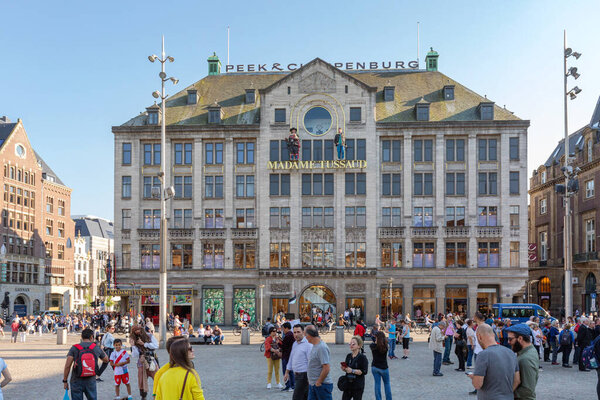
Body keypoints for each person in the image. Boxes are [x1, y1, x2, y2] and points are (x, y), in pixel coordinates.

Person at [468, 324, 520, 399]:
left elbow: (477, 384)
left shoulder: (483, 355)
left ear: (479, 337)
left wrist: (473, 377)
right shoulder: (510, 352)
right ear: (493, 335)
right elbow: (517, 380)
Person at [63, 328, 109, 400]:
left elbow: (67, 366)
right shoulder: (96, 347)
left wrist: (65, 381)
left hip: (76, 380)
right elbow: (106, 360)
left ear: (81, 337)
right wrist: (99, 372)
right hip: (90, 380)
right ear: (91, 337)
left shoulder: (74, 348)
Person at [506, 324, 539, 400]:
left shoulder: (526, 359)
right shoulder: (528, 350)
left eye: (510, 339)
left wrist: (505, 394)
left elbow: (527, 390)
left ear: (520, 338)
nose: (508, 342)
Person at [285, 324, 313, 400]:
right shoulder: (295, 344)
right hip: (296, 376)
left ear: (303, 332)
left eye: (298, 332)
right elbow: (291, 358)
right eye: (294, 332)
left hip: (304, 375)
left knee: (296, 397)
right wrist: (287, 372)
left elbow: (310, 361)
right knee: (304, 397)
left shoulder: (308, 344)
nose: (296, 334)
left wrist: (309, 377)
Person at [130, 325, 158, 399]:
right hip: (141, 362)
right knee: (141, 381)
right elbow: (134, 355)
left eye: (138, 329)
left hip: (151, 360)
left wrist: (144, 344)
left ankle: (157, 395)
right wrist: (133, 346)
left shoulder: (149, 336)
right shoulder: (134, 339)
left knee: (157, 378)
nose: (138, 332)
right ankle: (143, 396)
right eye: (135, 331)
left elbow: (156, 345)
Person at [305, 324, 333, 400]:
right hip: (314, 385)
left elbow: (326, 368)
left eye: (305, 335)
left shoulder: (321, 347)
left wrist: (319, 382)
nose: (305, 337)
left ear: (310, 335)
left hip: (321, 386)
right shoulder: (315, 346)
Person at [340, 336, 368, 400]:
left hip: (357, 385)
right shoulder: (349, 356)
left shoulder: (362, 357)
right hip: (348, 384)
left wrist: (352, 370)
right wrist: (344, 369)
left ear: (359, 346)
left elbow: (364, 371)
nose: (351, 345)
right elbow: (347, 368)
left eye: (353, 344)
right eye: (350, 343)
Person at [370, 331, 391, 400]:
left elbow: (374, 343)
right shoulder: (386, 346)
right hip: (384, 367)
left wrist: (376, 341)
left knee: (377, 384)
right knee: (387, 384)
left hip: (375, 367)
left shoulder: (372, 346)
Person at [280, 322, 296, 392]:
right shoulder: (291, 334)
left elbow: (284, 346)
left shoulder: (288, 335)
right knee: (291, 371)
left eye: (283, 329)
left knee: (286, 371)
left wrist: (278, 342)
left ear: (286, 328)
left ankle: (288, 385)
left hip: (286, 356)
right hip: (290, 355)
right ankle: (292, 385)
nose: (283, 330)